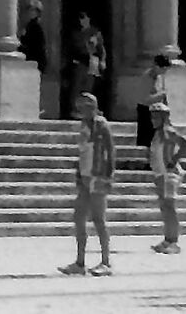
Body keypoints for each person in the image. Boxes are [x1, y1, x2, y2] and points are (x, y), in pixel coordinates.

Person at [62, 89, 116, 276]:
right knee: (79, 218)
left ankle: (106, 261)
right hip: (85, 176)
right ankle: (80, 261)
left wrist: (108, 175)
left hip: (98, 176)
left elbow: (110, 150)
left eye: (86, 106)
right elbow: (83, 152)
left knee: (99, 219)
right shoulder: (84, 126)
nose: (82, 109)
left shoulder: (101, 125)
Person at [147, 99, 186, 255]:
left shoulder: (168, 131)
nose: (153, 120)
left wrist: (174, 160)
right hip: (160, 174)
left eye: (156, 117)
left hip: (169, 174)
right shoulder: (158, 134)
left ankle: (174, 241)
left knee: (170, 208)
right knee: (164, 207)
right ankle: (167, 239)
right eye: (152, 117)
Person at [136, 53, 171, 152]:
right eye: (163, 68)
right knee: (146, 139)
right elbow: (145, 98)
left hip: (155, 111)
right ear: (157, 66)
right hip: (145, 110)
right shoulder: (148, 77)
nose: (164, 72)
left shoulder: (158, 77)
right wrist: (161, 95)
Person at [20, 2, 50, 118]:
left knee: (35, 86)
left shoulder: (35, 26)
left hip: (35, 60)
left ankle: (36, 107)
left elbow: (36, 45)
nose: (29, 13)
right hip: (33, 60)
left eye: (32, 10)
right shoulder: (30, 25)